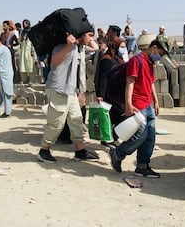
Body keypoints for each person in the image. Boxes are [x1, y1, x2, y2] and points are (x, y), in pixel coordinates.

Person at [109, 36, 171, 178]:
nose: (159, 57)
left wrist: (155, 101)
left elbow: (150, 83)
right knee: (140, 136)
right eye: (160, 54)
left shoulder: (150, 63)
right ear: (154, 48)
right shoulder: (136, 61)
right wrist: (129, 104)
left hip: (147, 104)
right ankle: (118, 153)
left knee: (150, 137)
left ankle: (143, 166)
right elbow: (130, 83)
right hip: (137, 104)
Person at [38, 31, 99, 163]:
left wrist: (80, 91)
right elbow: (53, 61)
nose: (91, 39)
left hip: (71, 91)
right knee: (56, 123)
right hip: (59, 89)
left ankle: (80, 151)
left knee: (76, 121)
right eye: (89, 35)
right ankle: (44, 150)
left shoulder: (80, 49)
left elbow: (96, 48)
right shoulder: (61, 46)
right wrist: (67, 45)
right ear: (81, 35)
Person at [96, 38, 126, 146]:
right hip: (110, 94)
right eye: (121, 47)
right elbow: (103, 78)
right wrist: (100, 95)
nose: (123, 49)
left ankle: (110, 137)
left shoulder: (119, 59)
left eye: (124, 47)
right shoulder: (107, 59)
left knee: (115, 117)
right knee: (120, 115)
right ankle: (110, 137)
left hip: (118, 93)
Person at [19, 19, 36, 84]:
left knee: (30, 64)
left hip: (29, 50)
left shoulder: (31, 31)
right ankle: (24, 79)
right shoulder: (22, 32)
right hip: (23, 49)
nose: (24, 25)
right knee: (22, 65)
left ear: (28, 24)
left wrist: (32, 50)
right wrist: (21, 39)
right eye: (23, 23)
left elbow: (33, 42)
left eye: (25, 23)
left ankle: (32, 80)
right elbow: (19, 41)